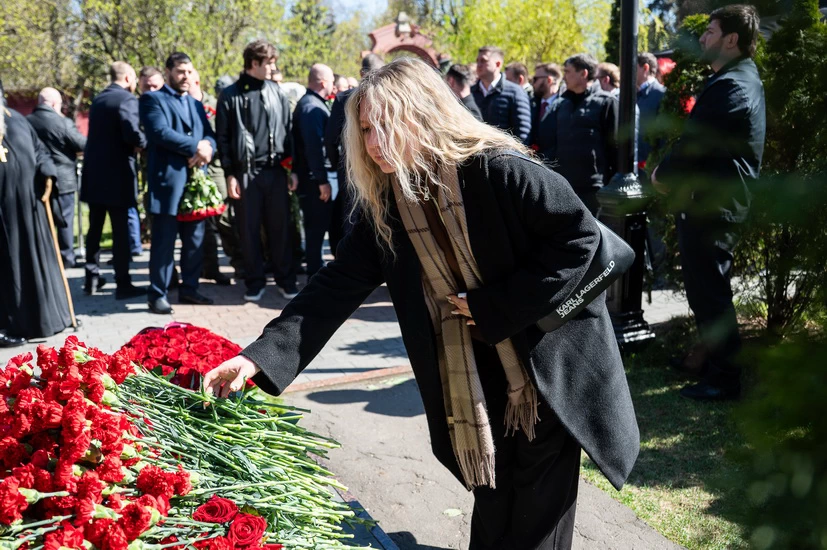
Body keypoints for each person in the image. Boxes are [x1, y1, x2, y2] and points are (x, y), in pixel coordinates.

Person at [204, 57, 639, 550]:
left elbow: (578, 239)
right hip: (478, 373)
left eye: (384, 125)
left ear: (423, 116)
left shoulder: (501, 168)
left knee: (537, 519)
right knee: (495, 505)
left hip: (548, 365)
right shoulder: (390, 201)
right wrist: (257, 358)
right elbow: (336, 285)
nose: (373, 143)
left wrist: (492, 307)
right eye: (365, 129)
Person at [652, 4, 765, 401]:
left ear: (732, 39)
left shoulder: (733, 84)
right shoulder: (733, 79)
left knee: (711, 293)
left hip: (715, 204)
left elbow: (697, 143)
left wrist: (663, 175)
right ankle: (711, 366)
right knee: (705, 290)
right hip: (711, 201)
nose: (702, 37)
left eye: (711, 32)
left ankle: (724, 380)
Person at [216, 40, 297, 301]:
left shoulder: (277, 92)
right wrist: (230, 174)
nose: (273, 67)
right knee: (248, 230)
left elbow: (289, 133)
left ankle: (286, 280)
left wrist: (293, 169)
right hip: (245, 173)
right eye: (269, 62)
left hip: (276, 172)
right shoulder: (230, 95)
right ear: (254, 63)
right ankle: (254, 282)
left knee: (280, 229)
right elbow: (223, 139)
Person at [140, 52, 217, 314]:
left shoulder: (195, 103)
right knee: (164, 242)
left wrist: (208, 147)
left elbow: (209, 134)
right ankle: (157, 294)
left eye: (189, 71)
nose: (186, 76)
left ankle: (190, 289)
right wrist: (197, 146)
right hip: (168, 183)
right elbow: (160, 133)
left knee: (194, 240)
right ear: (168, 72)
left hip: (195, 184)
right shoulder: (152, 99)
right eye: (180, 71)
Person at [0, 78, 72, 345]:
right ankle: (7, 325)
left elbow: (40, 150)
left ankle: (42, 321)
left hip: (30, 209)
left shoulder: (17, 119)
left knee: (35, 267)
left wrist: (47, 171)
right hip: (4, 216)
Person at [81, 61, 147, 298]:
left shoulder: (98, 100)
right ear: (128, 77)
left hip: (94, 175)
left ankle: (91, 278)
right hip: (117, 176)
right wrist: (145, 142)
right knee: (120, 231)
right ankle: (123, 283)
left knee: (95, 229)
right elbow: (132, 133)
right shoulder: (126, 99)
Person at [325, 54, 385, 257]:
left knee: (352, 216)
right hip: (372, 165)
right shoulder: (385, 96)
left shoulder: (343, 98)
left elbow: (330, 139)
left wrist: (338, 165)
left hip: (352, 167)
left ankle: (353, 259)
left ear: (361, 73)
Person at [545, 53, 618, 215]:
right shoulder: (562, 104)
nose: (564, 76)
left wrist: (610, 183)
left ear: (583, 73)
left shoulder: (606, 102)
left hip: (594, 187)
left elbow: (615, 146)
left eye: (568, 71)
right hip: (563, 184)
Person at [27, 87, 87, 268]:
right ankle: (66, 257)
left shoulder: (27, 122)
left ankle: (45, 258)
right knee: (65, 219)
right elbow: (82, 144)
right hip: (63, 177)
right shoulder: (62, 122)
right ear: (54, 103)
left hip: (36, 177)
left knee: (41, 218)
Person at [188, 70, 232, 286]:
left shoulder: (214, 104)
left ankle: (240, 262)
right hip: (192, 168)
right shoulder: (181, 103)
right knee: (201, 223)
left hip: (215, 167)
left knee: (225, 217)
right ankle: (209, 268)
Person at [293, 63, 335, 279]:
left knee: (316, 230)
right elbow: (314, 147)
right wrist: (322, 180)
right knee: (315, 231)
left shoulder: (313, 104)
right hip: (312, 182)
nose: (333, 86)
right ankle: (314, 277)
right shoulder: (311, 108)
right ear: (323, 82)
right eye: (332, 82)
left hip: (312, 178)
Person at [471, 46, 532, 144]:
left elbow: (523, 133)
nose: (478, 64)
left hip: (505, 151)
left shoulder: (515, 92)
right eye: (477, 60)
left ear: (498, 64)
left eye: (483, 61)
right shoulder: (471, 92)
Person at [636, 52, 667, 167]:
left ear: (645, 68)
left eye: (633, 68)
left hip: (650, 169)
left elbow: (664, 137)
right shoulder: (633, 94)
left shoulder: (662, 94)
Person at [529, 63, 562, 161]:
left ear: (549, 80)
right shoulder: (531, 103)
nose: (533, 83)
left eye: (535, 79)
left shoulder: (565, 105)